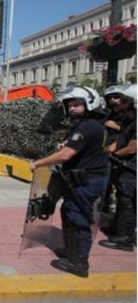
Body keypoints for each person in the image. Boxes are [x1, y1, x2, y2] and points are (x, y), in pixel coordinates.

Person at [31, 86, 109, 278]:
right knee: (69, 213)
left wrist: (38, 163)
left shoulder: (87, 126)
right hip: (83, 180)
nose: (72, 108)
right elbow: (76, 146)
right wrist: (67, 144)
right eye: (71, 105)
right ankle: (72, 251)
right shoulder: (92, 124)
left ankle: (79, 264)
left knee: (79, 219)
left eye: (77, 104)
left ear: (89, 104)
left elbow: (66, 155)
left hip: (85, 182)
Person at [99, 84, 136, 251]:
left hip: (130, 168)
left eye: (123, 99)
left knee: (127, 201)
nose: (119, 102)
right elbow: (121, 140)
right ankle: (118, 229)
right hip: (124, 166)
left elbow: (132, 147)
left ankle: (125, 239)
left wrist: (113, 154)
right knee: (123, 199)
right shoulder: (130, 119)